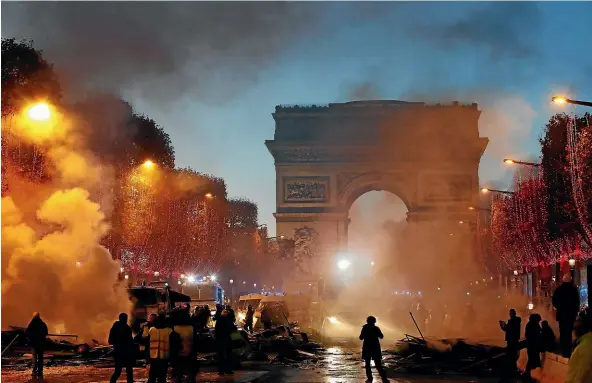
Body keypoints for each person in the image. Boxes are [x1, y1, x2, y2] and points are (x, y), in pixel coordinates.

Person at [552, 273, 580, 357]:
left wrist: (559, 308)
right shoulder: (573, 290)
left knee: (563, 331)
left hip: (561, 315)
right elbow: (577, 302)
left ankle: (563, 349)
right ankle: (568, 349)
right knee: (569, 331)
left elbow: (554, 301)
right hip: (571, 315)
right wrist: (575, 312)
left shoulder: (558, 290)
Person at [144, 314, 173, 383]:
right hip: (164, 357)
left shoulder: (151, 329)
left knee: (152, 376)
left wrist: (145, 327)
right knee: (162, 377)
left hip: (153, 356)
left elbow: (144, 338)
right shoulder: (169, 330)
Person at [359, 316, 389, 383]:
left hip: (367, 348)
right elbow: (381, 336)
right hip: (375, 348)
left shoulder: (364, 328)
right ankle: (384, 379)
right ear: (374, 321)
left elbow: (361, 337)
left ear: (367, 321)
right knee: (378, 365)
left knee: (367, 365)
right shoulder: (376, 328)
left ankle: (370, 379)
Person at [566, 307, 592, 383]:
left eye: (577, 327)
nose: (574, 327)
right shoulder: (583, 343)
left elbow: (583, 371)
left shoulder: (586, 345)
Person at [173, 309, 199, 383]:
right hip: (190, 352)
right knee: (190, 371)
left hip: (178, 353)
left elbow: (173, 342)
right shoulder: (191, 328)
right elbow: (196, 341)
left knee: (178, 371)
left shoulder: (175, 328)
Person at [109, 313, 135, 383]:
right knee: (129, 371)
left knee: (118, 371)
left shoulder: (114, 327)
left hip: (118, 352)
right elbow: (130, 341)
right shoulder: (127, 328)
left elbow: (110, 341)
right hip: (126, 352)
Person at [499, 308, 521, 380]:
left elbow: (507, 329)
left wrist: (502, 325)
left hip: (511, 340)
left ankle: (512, 371)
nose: (510, 315)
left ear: (513, 314)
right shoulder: (517, 321)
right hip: (514, 340)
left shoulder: (511, 321)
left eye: (511, 313)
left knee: (511, 356)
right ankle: (513, 370)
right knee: (513, 355)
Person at [25, 312, 48, 379]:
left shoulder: (31, 324)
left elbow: (27, 332)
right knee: (40, 358)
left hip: (34, 344)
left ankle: (34, 371)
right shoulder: (43, 324)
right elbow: (46, 333)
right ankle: (40, 371)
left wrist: (31, 337)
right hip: (41, 344)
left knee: (34, 358)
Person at [214, 309, 234, 376]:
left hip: (220, 339)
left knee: (221, 355)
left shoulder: (219, 320)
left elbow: (216, 330)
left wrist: (216, 338)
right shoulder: (230, 320)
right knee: (229, 355)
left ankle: (221, 370)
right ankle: (229, 370)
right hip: (228, 339)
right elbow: (233, 330)